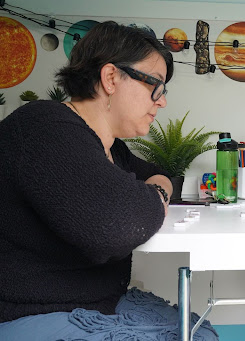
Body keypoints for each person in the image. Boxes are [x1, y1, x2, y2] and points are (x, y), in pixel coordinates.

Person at [0, 21, 218, 340]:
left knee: (201, 333)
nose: (162, 101)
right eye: (155, 85)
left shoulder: (112, 147)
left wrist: (154, 189)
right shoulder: (43, 127)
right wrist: (156, 196)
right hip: (35, 311)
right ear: (111, 77)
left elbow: (162, 175)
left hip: (99, 303)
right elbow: (116, 225)